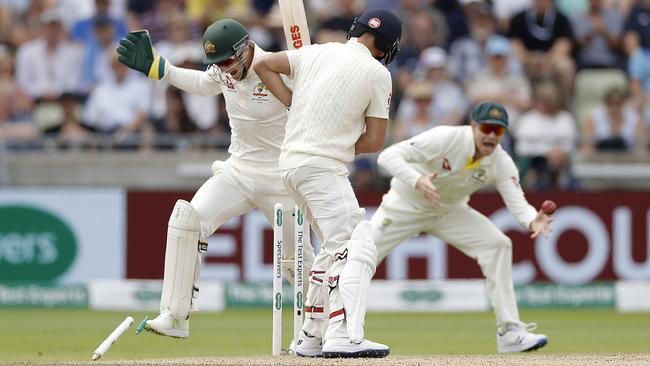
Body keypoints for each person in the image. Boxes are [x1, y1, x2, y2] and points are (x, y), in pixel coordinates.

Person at [115, 18, 315, 338]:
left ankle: (323, 326)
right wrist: (159, 68)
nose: (222, 69)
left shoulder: (279, 69)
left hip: (281, 178)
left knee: (298, 259)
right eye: (216, 63)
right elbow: (202, 83)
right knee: (187, 218)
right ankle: (176, 316)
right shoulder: (223, 71)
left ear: (245, 49)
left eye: (226, 62)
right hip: (238, 170)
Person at [253, 8, 401, 358]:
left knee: (333, 251)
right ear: (386, 46)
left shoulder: (316, 50)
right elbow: (375, 140)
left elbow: (263, 65)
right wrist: (336, 141)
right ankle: (342, 335)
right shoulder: (377, 73)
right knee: (356, 245)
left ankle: (310, 334)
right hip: (322, 167)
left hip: (290, 163)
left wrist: (293, 103)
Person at [370, 102, 552, 353]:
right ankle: (327, 328)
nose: (491, 136)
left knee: (498, 245)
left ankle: (509, 332)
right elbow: (387, 156)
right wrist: (417, 179)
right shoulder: (446, 137)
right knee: (362, 256)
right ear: (473, 126)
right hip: (404, 205)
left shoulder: (501, 162)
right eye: (487, 128)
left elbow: (517, 203)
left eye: (498, 131)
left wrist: (533, 219)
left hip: (448, 211)